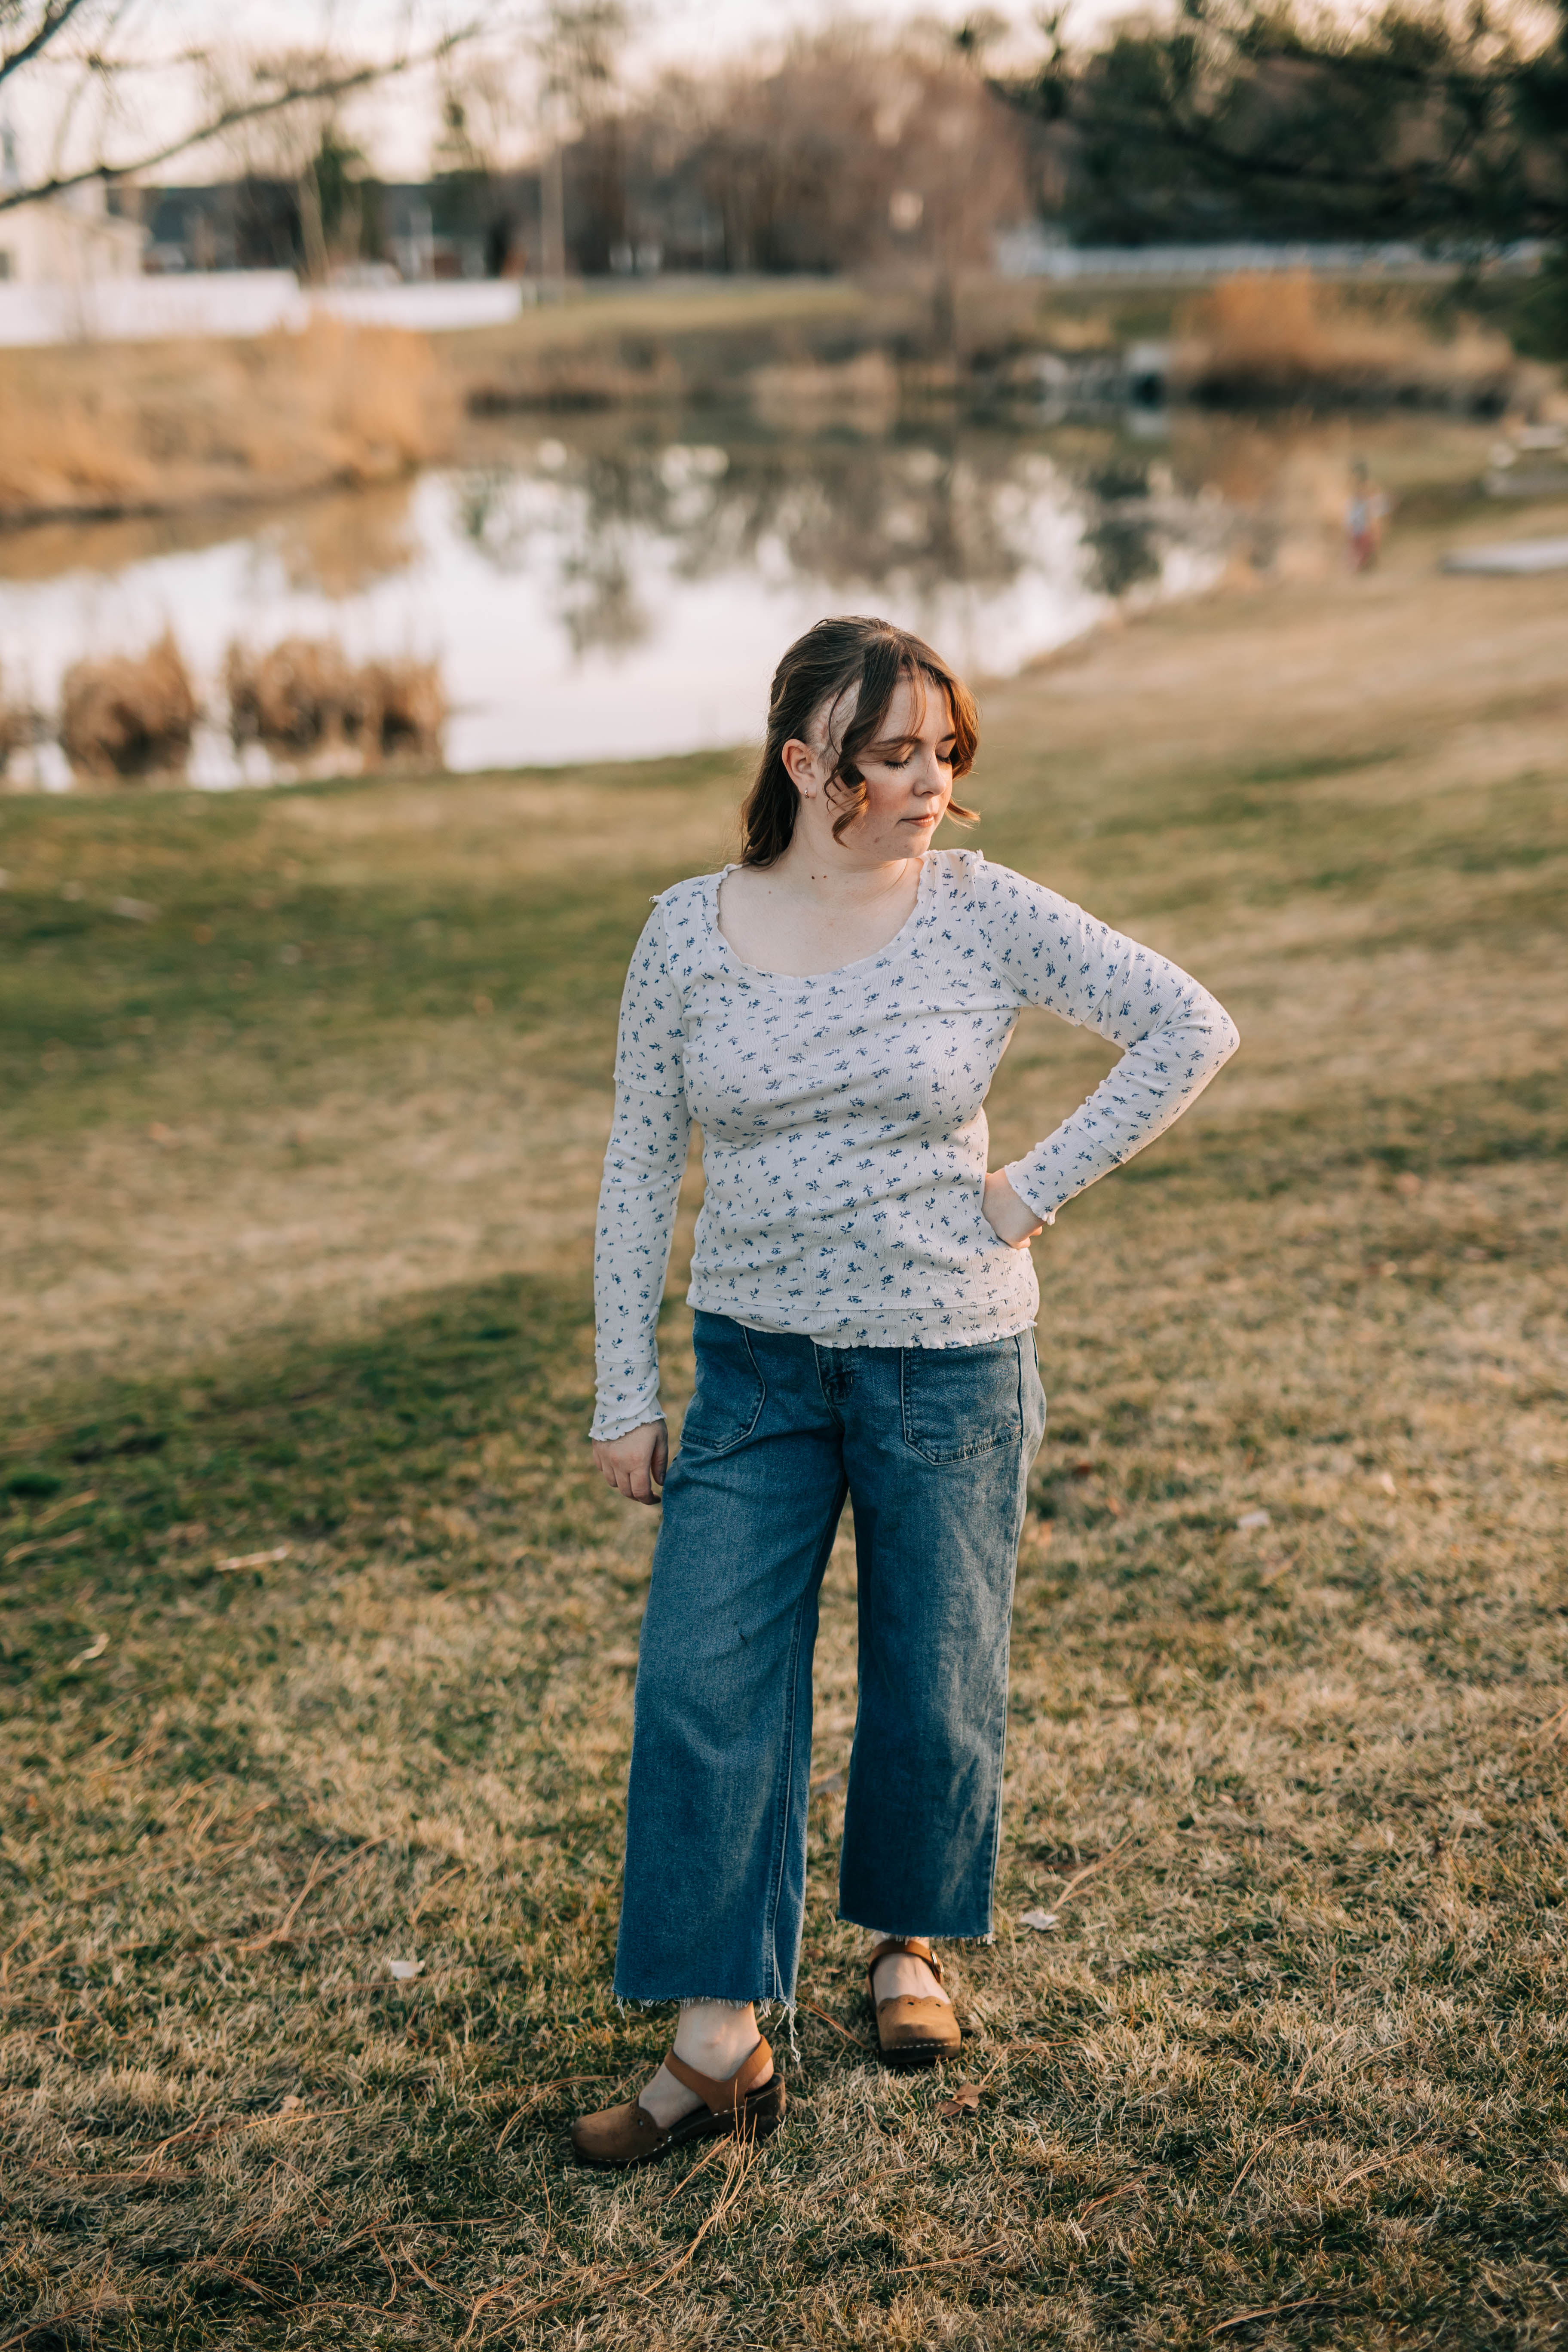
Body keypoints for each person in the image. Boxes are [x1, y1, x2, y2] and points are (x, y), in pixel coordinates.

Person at [572, 616, 1239, 2169]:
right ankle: (719, 2040)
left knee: (935, 1679)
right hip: (754, 1368)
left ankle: (905, 1948)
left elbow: (1186, 1025)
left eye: (950, 751)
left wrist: (1027, 1194)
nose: (933, 782)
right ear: (807, 764)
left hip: (950, 1355)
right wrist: (625, 1386)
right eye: (895, 756)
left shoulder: (981, 912)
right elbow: (637, 1165)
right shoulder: (688, 929)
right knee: (700, 1686)